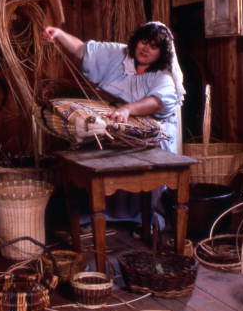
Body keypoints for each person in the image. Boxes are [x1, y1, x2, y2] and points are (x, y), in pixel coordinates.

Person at [43, 21, 186, 228]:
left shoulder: (163, 75)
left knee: (144, 169)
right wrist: (58, 34)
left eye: (153, 46)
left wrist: (128, 109)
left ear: (161, 53)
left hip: (151, 133)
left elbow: (157, 102)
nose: (146, 49)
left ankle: (142, 217)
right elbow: (82, 50)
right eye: (143, 42)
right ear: (136, 41)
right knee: (95, 147)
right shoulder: (117, 54)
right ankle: (104, 212)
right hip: (115, 122)